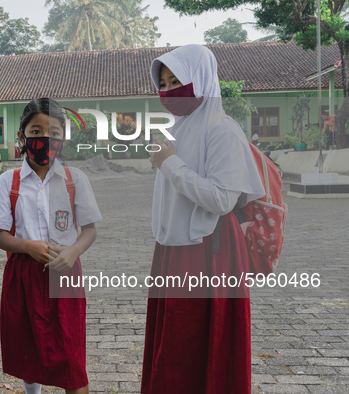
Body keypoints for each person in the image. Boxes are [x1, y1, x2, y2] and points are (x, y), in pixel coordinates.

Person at [144, 45, 265, 393]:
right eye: (163, 83)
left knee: (197, 344)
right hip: (172, 250)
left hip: (208, 250)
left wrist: (169, 163)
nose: (168, 91)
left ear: (200, 79)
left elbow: (222, 199)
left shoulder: (222, 129)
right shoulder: (179, 129)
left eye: (176, 80)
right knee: (174, 348)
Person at [0, 98, 102, 394]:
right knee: (28, 345)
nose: (45, 139)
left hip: (65, 276)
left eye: (55, 133)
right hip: (23, 275)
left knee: (71, 355)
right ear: (22, 136)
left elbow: (89, 230)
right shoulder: (7, 183)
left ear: (64, 138)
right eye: (36, 131)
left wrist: (73, 252)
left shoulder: (76, 180)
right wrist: (27, 247)